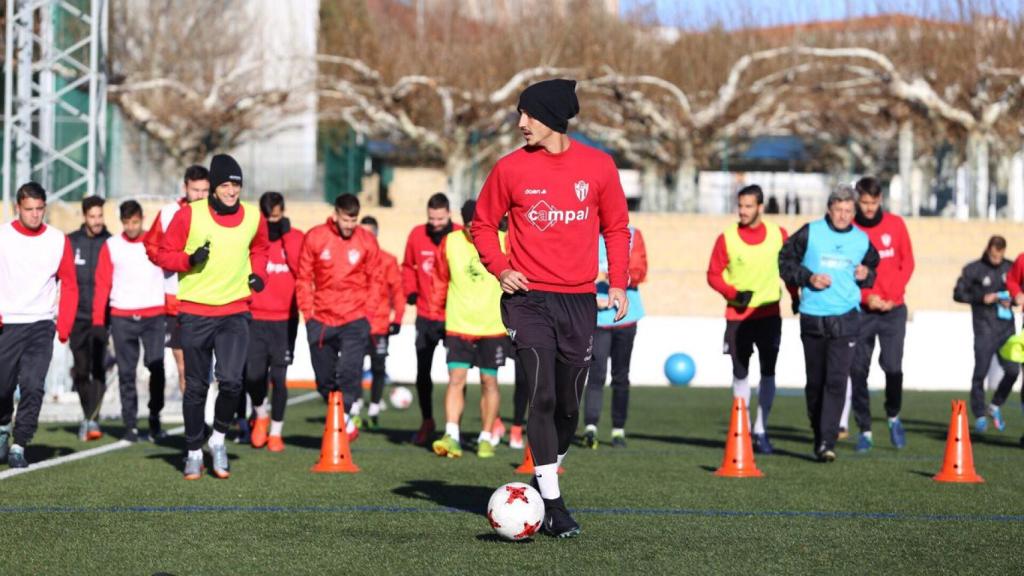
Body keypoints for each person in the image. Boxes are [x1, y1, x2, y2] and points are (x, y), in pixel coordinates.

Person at [474, 78, 631, 538]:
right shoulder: (508, 170)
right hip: (527, 300)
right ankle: (555, 504)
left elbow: (617, 227)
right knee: (540, 392)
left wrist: (617, 284)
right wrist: (501, 268)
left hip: (580, 299)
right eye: (519, 114)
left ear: (555, 118)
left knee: (568, 406)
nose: (521, 123)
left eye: (530, 114)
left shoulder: (599, 167)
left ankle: (541, 480)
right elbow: (483, 225)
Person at [157, 154, 269, 480]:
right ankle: (193, 451)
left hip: (235, 311)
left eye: (236, 184)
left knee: (233, 382)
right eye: (225, 184)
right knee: (196, 387)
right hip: (194, 311)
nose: (232, 190)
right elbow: (165, 254)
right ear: (213, 188)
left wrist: (257, 274)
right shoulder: (189, 215)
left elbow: (260, 248)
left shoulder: (252, 216)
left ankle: (218, 440)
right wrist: (190, 259)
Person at [779, 185, 879, 462]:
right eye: (839, 210)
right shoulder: (810, 232)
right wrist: (808, 277)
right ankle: (818, 431)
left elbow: (873, 267)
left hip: (846, 317)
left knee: (836, 381)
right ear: (829, 209)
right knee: (816, 383)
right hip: (813, 315)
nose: (844, 216)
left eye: (849, 211)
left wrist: (866, 274)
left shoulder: (861, 240)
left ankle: (827, 441)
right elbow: (784, 261)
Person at [706, 185, 790, 454]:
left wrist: (798, 297)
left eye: (748, 206)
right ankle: (741, 431)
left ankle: (761, 430)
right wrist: (733, 293)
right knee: (740, 373)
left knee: (768, 372)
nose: (742, 211)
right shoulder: (727, 238)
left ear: (760, 208)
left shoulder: (779, 235)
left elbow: (789, 270)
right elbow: (713, 274)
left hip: (769, 315)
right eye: (740, 206)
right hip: (737, 317)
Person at [0, 182, 78, 468]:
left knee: (33, 386)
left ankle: (20, 444)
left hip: (41, 324)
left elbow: (69, 283)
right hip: (6, 323)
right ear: (18, 208)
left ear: (45, 207)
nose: (35, 215)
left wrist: (64, 324)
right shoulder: (3, 236)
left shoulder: (57, 240)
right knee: (2, 387)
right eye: (29, 209)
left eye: (39, 209)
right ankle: (3, 425)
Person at [296, 193, 382, 443]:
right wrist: (309, 315)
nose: (349, 225)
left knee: (349, 372)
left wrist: (368, 314)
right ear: (335, 215)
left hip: (355, 317)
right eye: (346, 220)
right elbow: (303, 278)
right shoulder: (315, 237)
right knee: (324, 379)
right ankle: (341, 416)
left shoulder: (366, 241)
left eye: (354, 220)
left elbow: (376, 280)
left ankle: (343, 418)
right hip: (321, 318)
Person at [430, 200, 510, 459]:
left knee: (489, 381)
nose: (473, 232)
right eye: (468, 227)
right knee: (456, 379)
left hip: (492, 325)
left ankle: (486, 437)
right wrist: (435, 315)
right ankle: (451, 434)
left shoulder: (504, 240)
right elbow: (440, 280)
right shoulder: (451, 242)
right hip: (458, 324)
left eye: (478, 226)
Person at [849, 177, 915, 452]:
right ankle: (864, 430)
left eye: (874, 202)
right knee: (857, 370)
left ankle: (893, 416)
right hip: (862, 311)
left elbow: (907, 263)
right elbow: (847, 271)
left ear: (881, 201)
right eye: (864, 202)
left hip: (893, 310)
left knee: (893, 366)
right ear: (857, 200)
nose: (868, 207)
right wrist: (867, 297)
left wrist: (891, 297)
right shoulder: (850, 230)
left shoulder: (896, 225)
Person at [93, 200, 167, 442]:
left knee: (156, 367)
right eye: (127, 223)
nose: (131, 227)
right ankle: (131, 425)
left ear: (142, 219)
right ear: (121, 222)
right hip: (122, 316)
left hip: (154, 315)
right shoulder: (112, 246)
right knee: (126, 373)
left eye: (135, 222)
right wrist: (97, 320)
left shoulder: (156, 242)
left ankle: (155, 416)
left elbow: (171, 273)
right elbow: (103, 284)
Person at [243, 192, 304, 452]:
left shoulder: (295, 237)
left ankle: (276, 432)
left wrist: (287, 235)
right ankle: (261, 414)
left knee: (279, 378)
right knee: (253, 376)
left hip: (284, 321)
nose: (272, 221)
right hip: (255, 318)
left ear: (284, 212)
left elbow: (301, 269)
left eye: (277, 216)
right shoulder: (253, 239)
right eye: (268, 217)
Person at [145, 165, 210, 394]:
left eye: (205, 190)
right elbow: (151, 246)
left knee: (208, 366)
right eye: (195, 190)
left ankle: (213, 416)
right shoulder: (168, 212)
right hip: (177, 299)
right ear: (185, 188)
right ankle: (194, 424)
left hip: (210, 298)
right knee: (183, 366)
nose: (200, 195)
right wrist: (172, 261)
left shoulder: (217, 213)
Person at [583, 224, 647, 449]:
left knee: (621, 375)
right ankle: (590, 427)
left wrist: (608, 277)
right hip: (597, 318)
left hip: (626, 317)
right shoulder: (584, 230)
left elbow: (639, 272)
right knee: (596, 374)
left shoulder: (632, 235)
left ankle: (618, 429)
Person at [402, 193, 460, 445]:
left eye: (440, 218)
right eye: (431, 218)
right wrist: (411, 291)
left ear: (449, 214)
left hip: (455, 316)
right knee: (422, 372)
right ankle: (427, 421)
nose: (435, 223)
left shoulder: (459, 236)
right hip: (425, 316)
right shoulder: (416, 235)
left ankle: (453, 427)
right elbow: (407, 266)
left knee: (456, 373)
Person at [955, 235, 1018, 433]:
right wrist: (982, 298)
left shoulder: (1010, 268)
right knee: (980, 373)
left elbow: (1019, 292)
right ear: (988, 250)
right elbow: (958, 293)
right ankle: (980, 415)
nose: (996, 260)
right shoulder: (973, 269)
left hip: (1007, 330)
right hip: (984, 328)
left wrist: (1013, 300)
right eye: (993, 256)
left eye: (999, 256)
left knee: (1013, 371)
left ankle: (995, 405)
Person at [67, 195, 112, 441]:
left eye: (100, 216)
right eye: (92, 216)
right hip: (77, 318)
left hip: (102, 318)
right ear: (84, 216)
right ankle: (89, 414)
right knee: (81, 370)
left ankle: (92, 418)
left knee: (99, 368)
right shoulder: (71, 242)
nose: (96, 221)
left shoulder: (111, 243)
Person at [356, 215, 404, 430]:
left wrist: (399, 318)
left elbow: (398, 291)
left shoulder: (388, 260)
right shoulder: (352, 258)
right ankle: (355, 408)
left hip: (380, 325)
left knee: (378, 367)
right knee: (353, 366)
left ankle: (374, 408)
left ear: (376, 234)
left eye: (369, 233)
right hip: (355, 323)